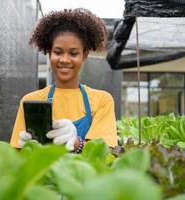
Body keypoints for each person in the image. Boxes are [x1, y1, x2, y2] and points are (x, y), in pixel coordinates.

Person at [10, 8, 117, 152]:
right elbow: (16, 155)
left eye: (73, 53)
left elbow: (106, 153)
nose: (65, 60)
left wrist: (76, 143)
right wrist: (26, 151)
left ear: (84, 55)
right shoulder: (31, 101)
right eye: (58, 52)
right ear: (49, 52)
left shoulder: (102, 101)